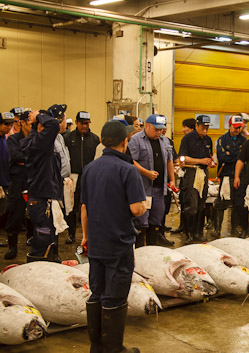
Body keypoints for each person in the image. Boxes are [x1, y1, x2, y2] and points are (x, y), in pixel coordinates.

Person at [81, 120, 146, 353]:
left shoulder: (90, 168)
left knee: (97, 292)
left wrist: (85, 237)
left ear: (101, 141)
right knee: (115, 297)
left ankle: (97, 348)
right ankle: (114, 350)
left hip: (96, 243)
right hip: (118, 245)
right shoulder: (128, 169)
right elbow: (136, 209)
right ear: (125, 142)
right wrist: (145, 205)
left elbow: (84, 207)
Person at [21, 109, 67, 262]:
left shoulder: (38, 142)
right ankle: (35, 269)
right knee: (43, 238)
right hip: (41, 201)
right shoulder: (39, 143)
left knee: (49, 238)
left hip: (42, 198)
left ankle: (48, 264)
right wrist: (37, 117)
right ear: (41, 127)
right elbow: (54, 125)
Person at [129, 114, 175, 247]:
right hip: (143, 189)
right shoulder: (136, 140)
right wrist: (147, 173)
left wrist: (172, 180)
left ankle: (152, 249)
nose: (159, 132)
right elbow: (131, 161)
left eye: (161, 130)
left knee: (156, 219)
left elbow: (169, 161)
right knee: (141, 220)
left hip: (160, 189)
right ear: (147, 126)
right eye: (156, 129)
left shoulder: (165, 141)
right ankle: (139, 251)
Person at [63, 110, 99, 245]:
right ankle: (71, 234)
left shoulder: (95, 139)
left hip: (89, 176)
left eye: (87, 124)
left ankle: (90, 234)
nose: (85, 126)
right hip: (73, 176)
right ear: (77, 123)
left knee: (89, 205)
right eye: (82, 124)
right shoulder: (68, 138)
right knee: (72, 205)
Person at [178, 115, 215, 242]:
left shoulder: (208, 140)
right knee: (191, 205)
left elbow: (210, 156)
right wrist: (200, 161)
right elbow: (182, 158)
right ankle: (189, 233)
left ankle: (198, 232)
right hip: (191, 172)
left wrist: (211, 162)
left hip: (203, 174)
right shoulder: (187, 139)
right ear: (196, 126)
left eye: (207, 128)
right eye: (202, 128)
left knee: (201, 205)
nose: (205, 131)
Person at [4, 111, 32, 259]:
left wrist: (25, 159)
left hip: (33, 179)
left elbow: (35, 157)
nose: (31, 126)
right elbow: (16, 156)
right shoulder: (13, 139)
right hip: (18, 180)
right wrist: (30, 158)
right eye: (29, 123)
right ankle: (12, 247)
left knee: (34, 212)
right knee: (15, 212)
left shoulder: (35, 139)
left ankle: (32, 239)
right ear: (22, 123)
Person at [214, 115, 246, 237]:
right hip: (226, 176)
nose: (237, 130)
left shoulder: (244, 141)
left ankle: (234, 229)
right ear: (229, 126)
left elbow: (244, 157)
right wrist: (236, 156)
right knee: (222, 203)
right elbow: (222, 157)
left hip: (239, 177)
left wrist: (231, 155)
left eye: (239, 128)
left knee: (237, 204)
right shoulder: (222, 139)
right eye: (235, 127)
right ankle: (217, 229)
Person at [0, 112, 15, 219]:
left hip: (5, 181)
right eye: (6, 124)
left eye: (11, 125)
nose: (9, 127)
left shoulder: (4, 139)